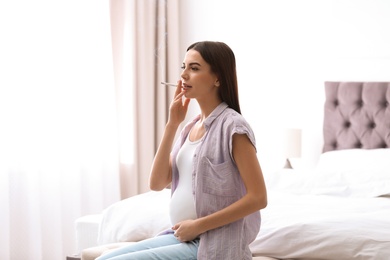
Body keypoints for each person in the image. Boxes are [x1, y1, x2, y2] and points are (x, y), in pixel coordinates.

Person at [96, 41, 267, 260]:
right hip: (182, 237)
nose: (184, 75)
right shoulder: (188, 128)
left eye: (194, 68)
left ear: (218, 78)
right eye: (183, 67)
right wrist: (172, 124)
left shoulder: (234, 127)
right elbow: (157, 183)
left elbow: (258, 197)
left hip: (214, 243)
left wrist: (198, 226)